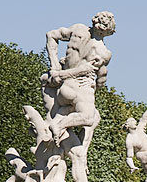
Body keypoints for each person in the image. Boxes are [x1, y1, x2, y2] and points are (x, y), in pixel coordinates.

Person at [42, 11, 115, 145]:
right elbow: (101, 81)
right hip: (81, 86)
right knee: (89, 117)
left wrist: (55, 67)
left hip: (64, 87)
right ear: (110, 31)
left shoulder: (78, 30)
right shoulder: (104, 53)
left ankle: (57, 123)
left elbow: (51, 35)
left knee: (68, 109)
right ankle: (59, 126)